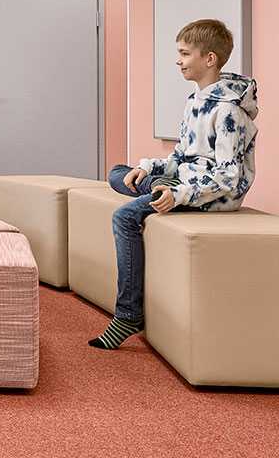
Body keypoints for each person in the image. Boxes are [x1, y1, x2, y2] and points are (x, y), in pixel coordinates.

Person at [89, 19, 259, 349]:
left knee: (124, 218)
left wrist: (180, 193)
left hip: (212, 194)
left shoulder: (229, 113)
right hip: (186, 179)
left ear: (209, 59)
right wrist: (148, 167)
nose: (178, 60)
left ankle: (127, 314)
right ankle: (157, 185)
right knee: (117, 173)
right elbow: (183, 154)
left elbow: (229, 178)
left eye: (184, 54)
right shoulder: (195, 100)